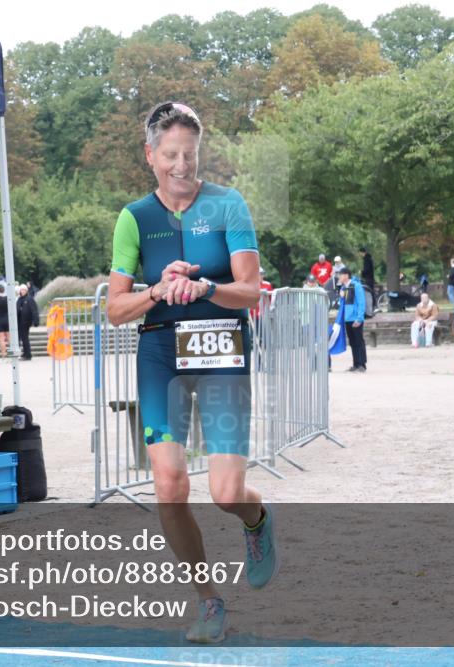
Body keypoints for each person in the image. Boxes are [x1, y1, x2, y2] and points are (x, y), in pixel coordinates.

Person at [105, 101, 274, 643]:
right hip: (159, 354)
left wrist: (205, 288)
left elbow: (251, 290)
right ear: (150, 155)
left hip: (221, 347)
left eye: (191, 155)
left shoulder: (228, 205)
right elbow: (114, 308)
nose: (182, 166)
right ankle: (207, 601)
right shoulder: (134, 218)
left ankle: (256, 520)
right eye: (171, 155)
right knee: (170, 486)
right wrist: (154, 290)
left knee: (226, 492)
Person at [337, 266, 367, 371]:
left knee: (359, 341)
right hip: (347, 319)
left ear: (346, 275)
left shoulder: (356, 286)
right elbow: (342, 305)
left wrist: (359, 318)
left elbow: (361, 302)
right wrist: (341, 297)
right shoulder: (343, 288)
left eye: (340, 275)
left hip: (355, 319)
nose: (338, 277)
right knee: (352, 342)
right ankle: (356, 364)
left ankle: (362, 364)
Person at [15, 284, 39, 360]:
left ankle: (28, 354)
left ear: (26, 291)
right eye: (21, 290)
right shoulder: (19, 299)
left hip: (26, 322)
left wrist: (36, 321)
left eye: (24, 290)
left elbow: (34, 310)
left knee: (25, 338)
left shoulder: (29, 299)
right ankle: (24, 353)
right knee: (20, 338)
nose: (22, 291)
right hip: (19, 322)